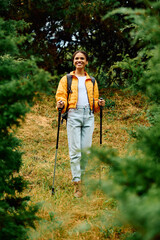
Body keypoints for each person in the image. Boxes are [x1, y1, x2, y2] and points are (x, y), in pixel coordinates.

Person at [56, 50, 105, 198]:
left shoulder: (92, 81)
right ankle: (77, 184)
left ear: (86, 62)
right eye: (77, 58)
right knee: (75, 151)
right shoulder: (67, 79)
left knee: (85, 151)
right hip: (73, 115)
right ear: (73, 61)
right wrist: (61, 103)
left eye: (82, 58)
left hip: (88, 116)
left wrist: (100, 103)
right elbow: (61, 96)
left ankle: (82, 179)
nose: (79, 60)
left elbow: (95, 102)